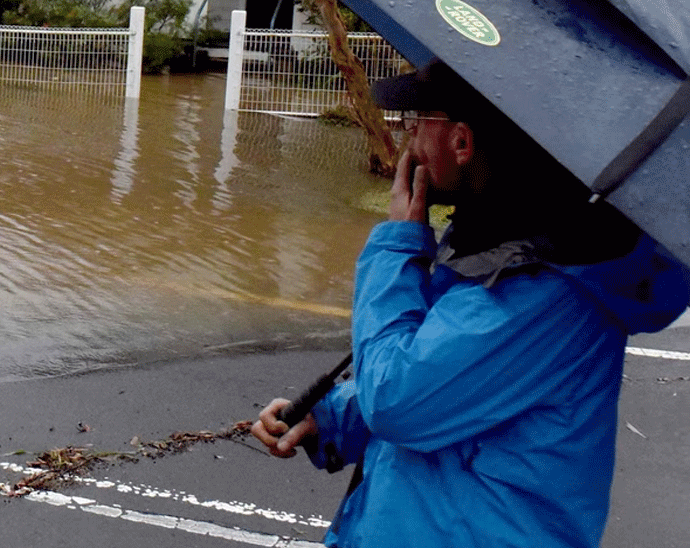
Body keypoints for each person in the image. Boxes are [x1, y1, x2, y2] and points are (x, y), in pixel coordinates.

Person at [252, 59, 689, 547]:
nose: (408, 141)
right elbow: (453, 380)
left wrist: (396, 245)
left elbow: (399, 399)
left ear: (461, 142)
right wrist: (332, 418)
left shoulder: (543, 289)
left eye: (416, 123)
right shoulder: (499, 241)